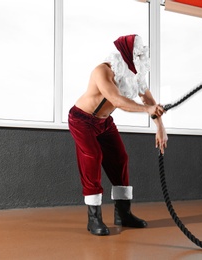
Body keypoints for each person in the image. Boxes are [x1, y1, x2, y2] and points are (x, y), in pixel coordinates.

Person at [68, 34, 168, 236]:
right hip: (82, 119)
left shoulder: (134, 76)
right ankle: (93, 217)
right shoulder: (102, 71)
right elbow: (117, 100)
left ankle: (123, 213)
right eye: (136, 56)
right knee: (93, 157)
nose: (139, 61)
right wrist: (147, 110)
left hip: (103, 122)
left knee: (120, 158)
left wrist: (161, 127)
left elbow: (149, 101)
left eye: (142, 57)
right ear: (124, 55)